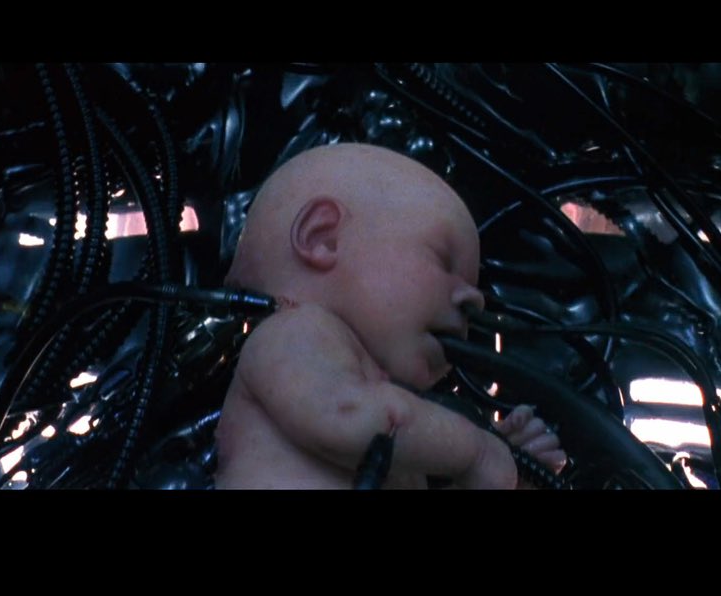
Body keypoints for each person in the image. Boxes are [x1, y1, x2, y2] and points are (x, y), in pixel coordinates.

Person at [214, 143, 566, 489]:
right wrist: (476, 452)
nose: (474, 300)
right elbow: (347, 417)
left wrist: (509, 471)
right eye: (443, 260)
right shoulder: (293, 332)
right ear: (323, 238)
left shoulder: (388, 410)